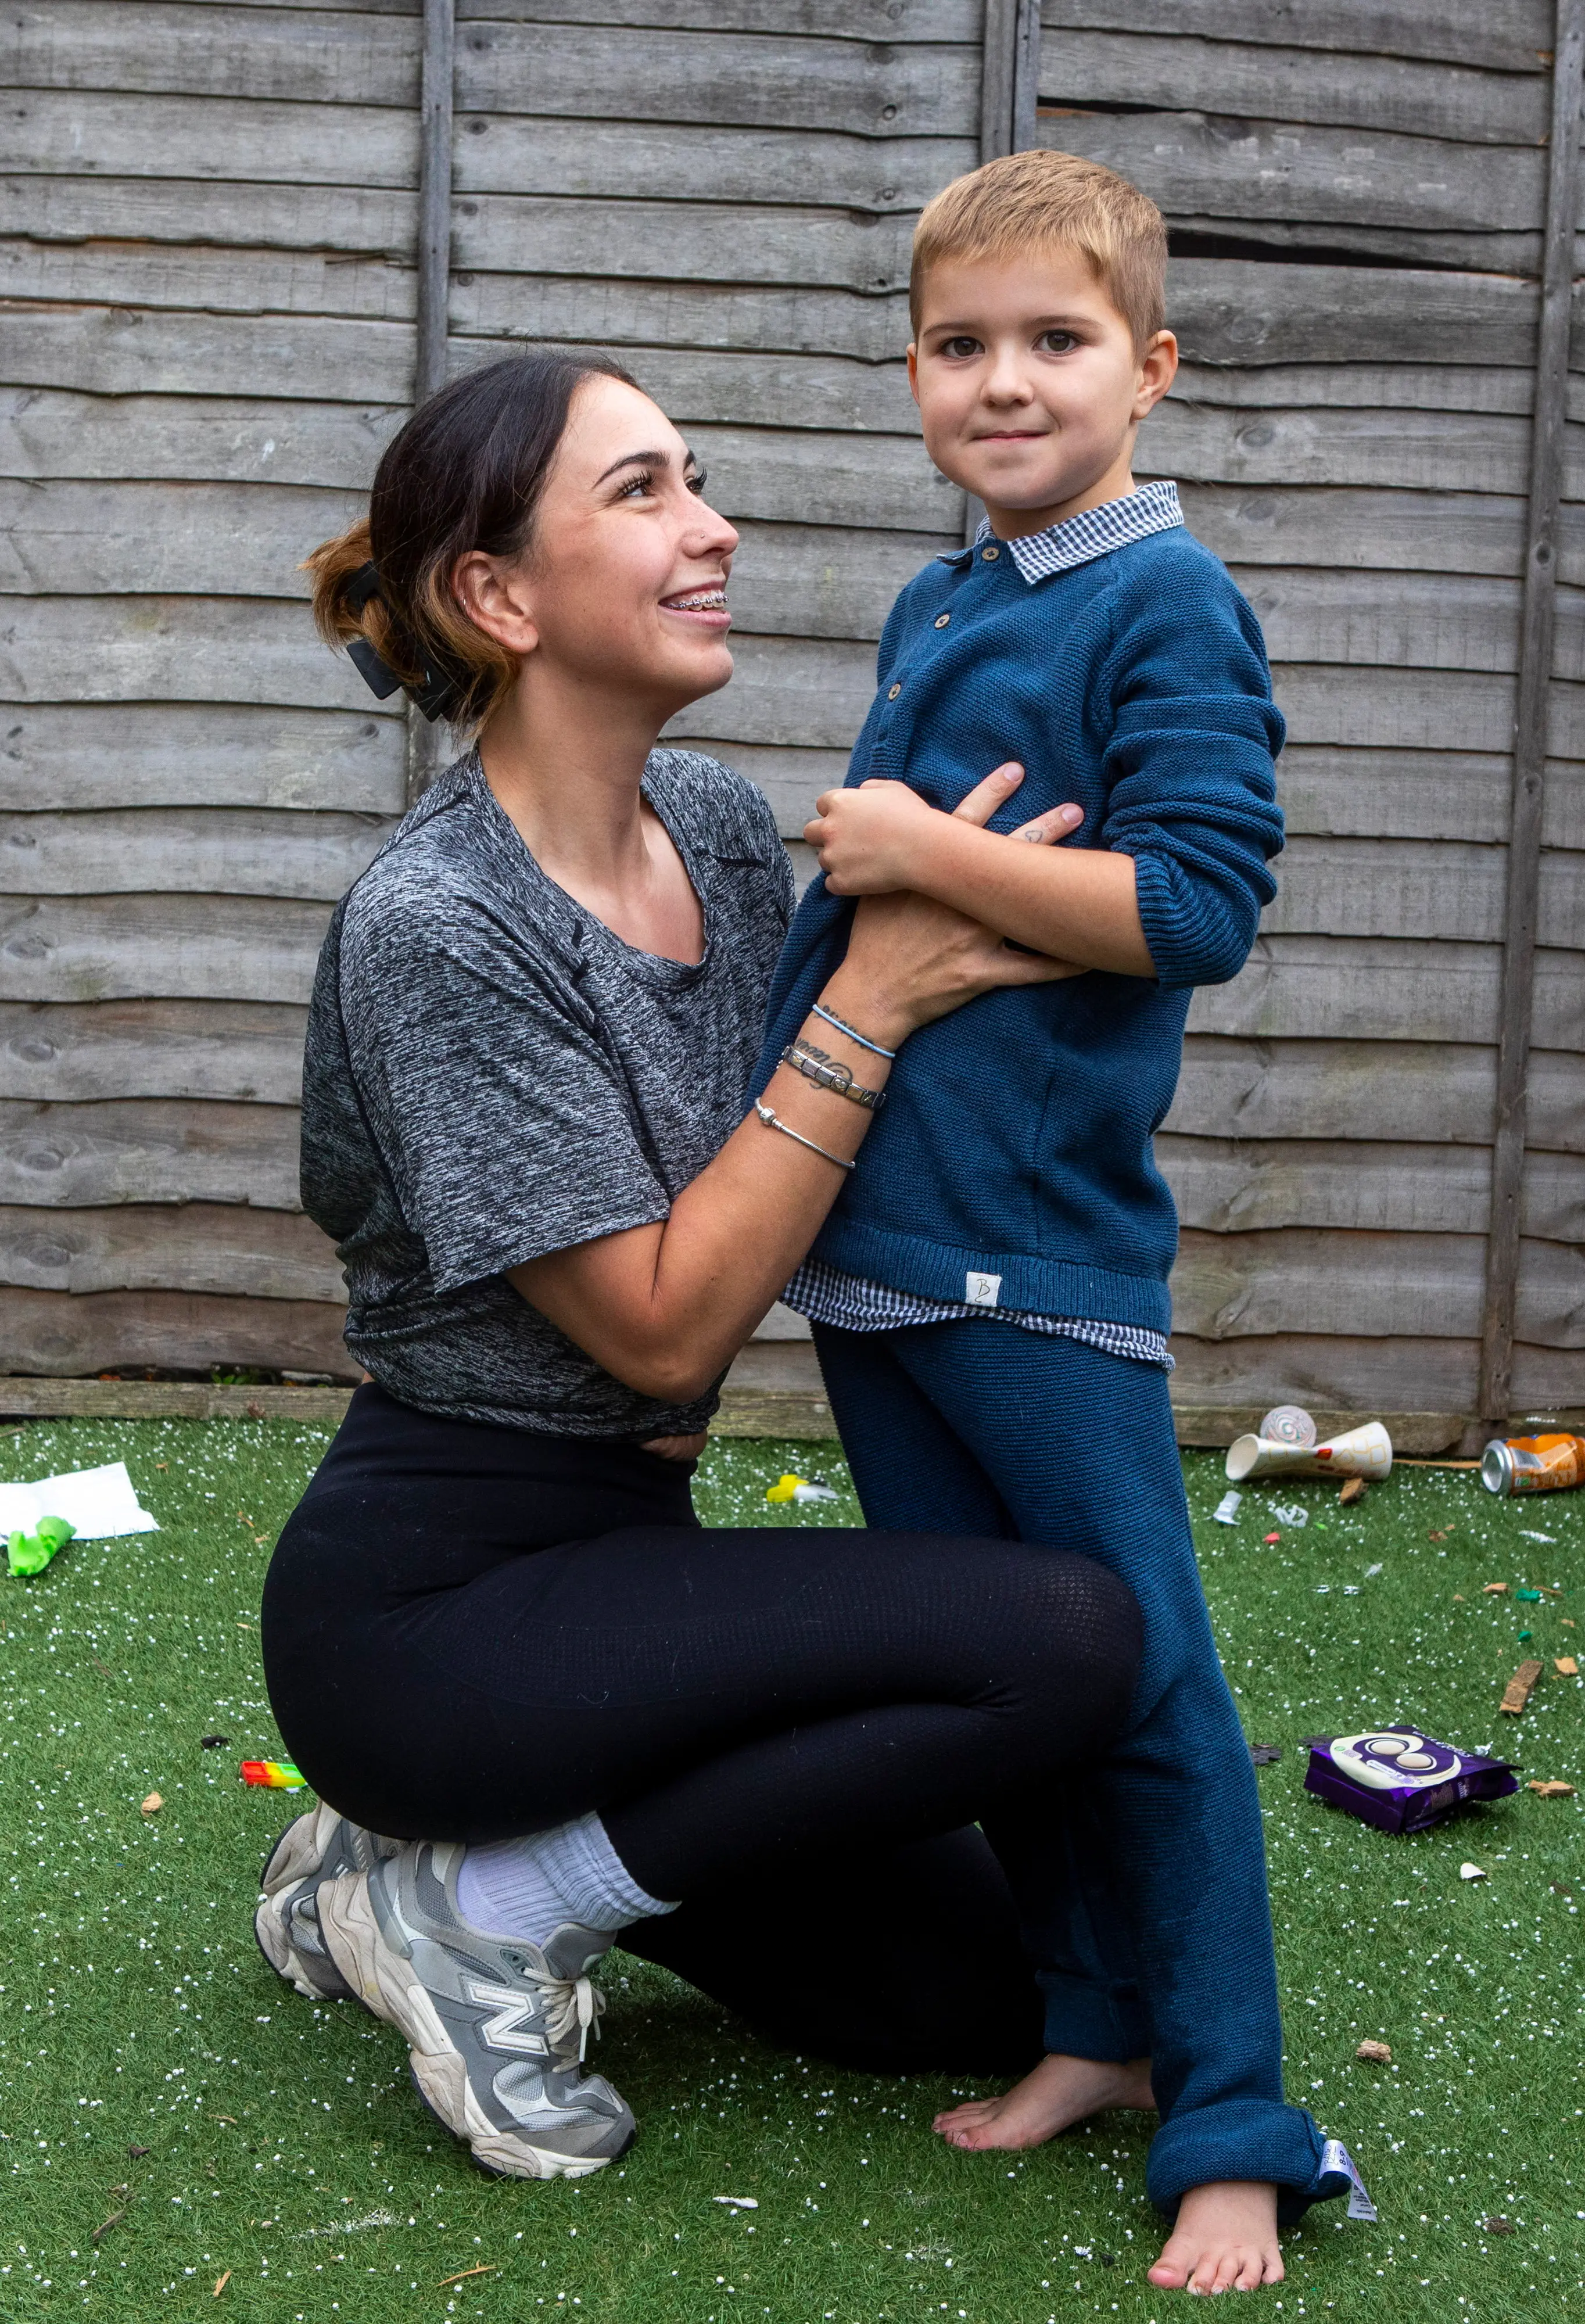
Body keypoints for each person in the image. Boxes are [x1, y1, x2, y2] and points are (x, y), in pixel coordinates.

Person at [254, 349, 1145, 2187]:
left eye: (698, 478)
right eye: (645, 491)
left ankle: (391, 1872)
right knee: (1060, 1637)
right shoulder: (441, 925)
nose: (714, 526)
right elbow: (661, 1334)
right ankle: (480, 1907)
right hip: (435, 1612)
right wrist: (879, 998)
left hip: (627, 1581)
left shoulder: (727, 835)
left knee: (965, 1990)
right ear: (500, 597)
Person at [754, 150, 1365, 2294]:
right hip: (873, 1245)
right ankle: (1096, 2025)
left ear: (1151, 368)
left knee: (1148, 1686)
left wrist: (917, 849)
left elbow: (1195, 903)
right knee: (1011, 1679)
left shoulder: (1160, 601)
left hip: (1033, 1249)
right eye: (959, 345)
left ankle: (1237, 2116)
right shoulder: (948, 599)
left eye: (1054, 341)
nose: (1002, 383)